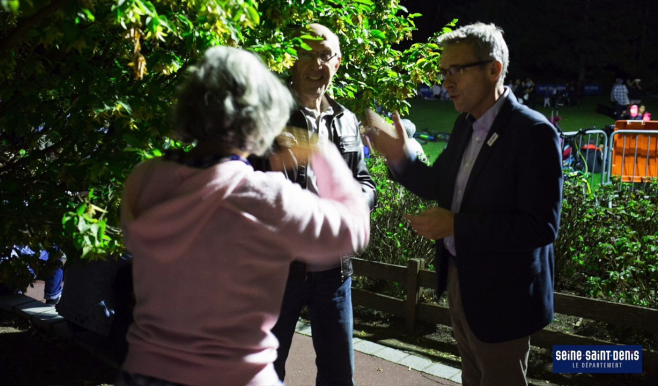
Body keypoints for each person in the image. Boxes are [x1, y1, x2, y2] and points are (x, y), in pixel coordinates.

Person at [117, 46, 371, 386]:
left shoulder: (145, 179)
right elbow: (353, 228)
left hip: (145, 372)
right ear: (260, 119)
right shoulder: (265, 197)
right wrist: (321, 152)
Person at [367, 23, 563, 386]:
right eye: (444, 72)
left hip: (504, 298)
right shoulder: (464, 125)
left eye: (457, 70)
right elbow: (436, 183)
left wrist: (455, 226)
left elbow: (541, 227)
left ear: (494, 70)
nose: (446, 81)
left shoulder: (533, 134)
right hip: (460, 281)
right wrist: (400, 159)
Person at [250, 23, 376, 385]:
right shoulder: (268, 117)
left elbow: (365, 184)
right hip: (277, 271)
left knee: (339, 375)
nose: (315, 62)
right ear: (292, 59)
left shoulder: (347, 121)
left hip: (334, 274)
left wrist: (355, 202)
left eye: (324, 55)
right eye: (307, 52)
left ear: (337, 62)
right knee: (263, 371)